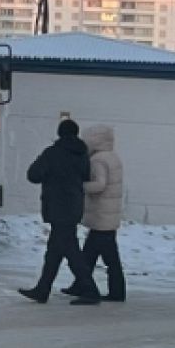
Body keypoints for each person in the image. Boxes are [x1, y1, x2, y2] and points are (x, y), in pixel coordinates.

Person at [18, 118, 102, 305]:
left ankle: (90, 290)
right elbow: (85, 176)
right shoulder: (82, 154)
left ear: (59, 133)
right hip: (74, 206)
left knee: (71, 251)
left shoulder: (52, 153)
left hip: (57, 206)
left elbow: (33, 175)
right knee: (54, 251)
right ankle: (43, 289)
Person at [62, 125, 126, 302]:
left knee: (109, 257)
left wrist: (79, 187)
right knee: (90, 253)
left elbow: (100, 184)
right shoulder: (113, 157)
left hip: (101, 214)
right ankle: (81, 285)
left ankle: (116, 291)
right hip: (108, 214)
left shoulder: (98, 160)